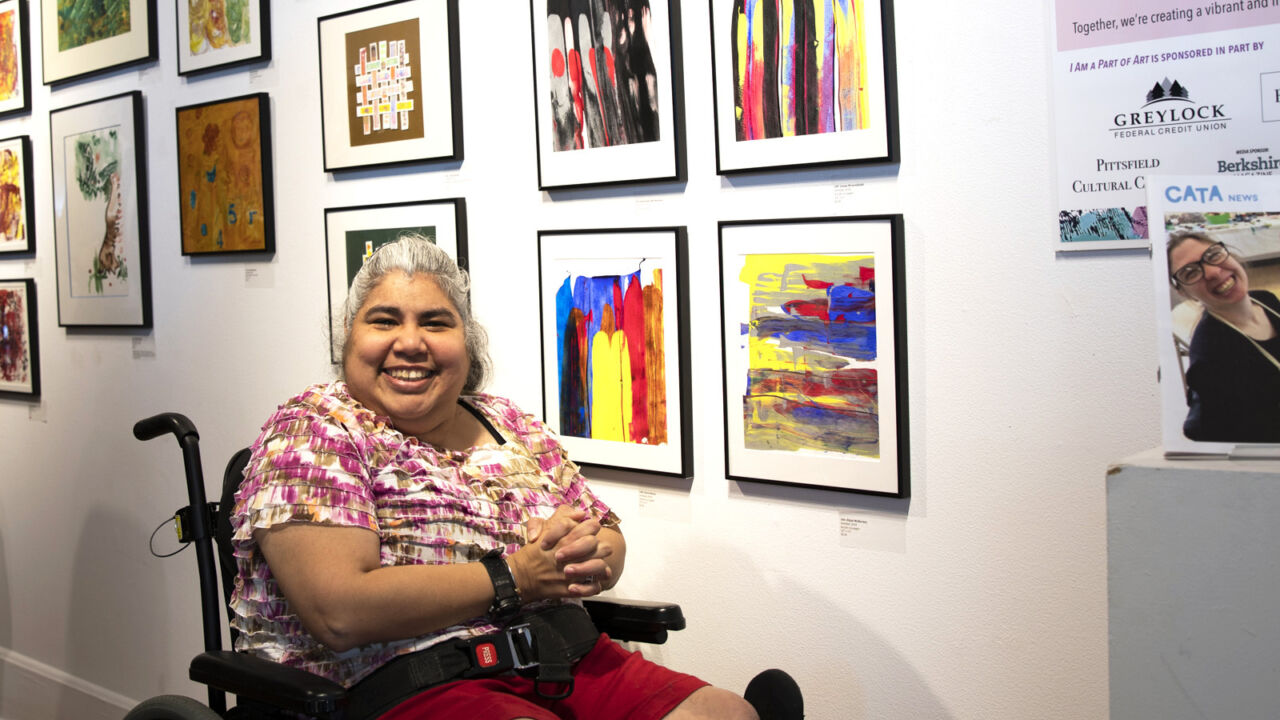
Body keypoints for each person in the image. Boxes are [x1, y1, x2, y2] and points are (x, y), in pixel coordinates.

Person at [228, 235, 759, 719]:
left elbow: (607, 536)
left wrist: (584, 553)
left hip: (564, 657)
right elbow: (340, 611)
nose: (411, 342)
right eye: (385, 321)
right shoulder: (315, 428)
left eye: (436, 322)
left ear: (467, 341)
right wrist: (518, 576)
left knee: (728, 713)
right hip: (407, 682)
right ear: (349, 336)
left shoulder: (509, 422)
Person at [1167, 231, 1280, 442]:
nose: (1212, 272)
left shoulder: (1266, 300)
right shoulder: (1209, 359)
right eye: (1191, 273)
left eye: (1213, 255)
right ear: (1184, 292)